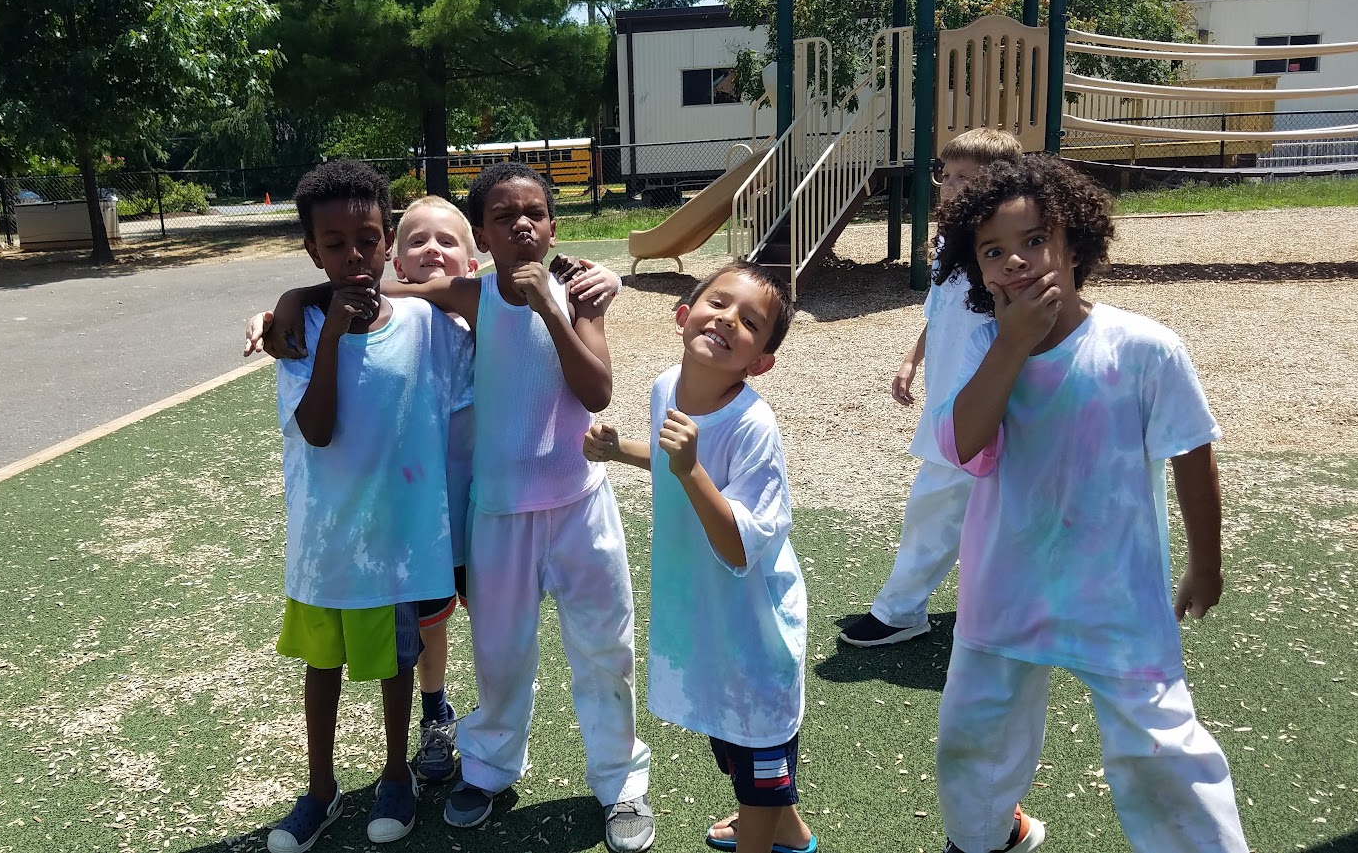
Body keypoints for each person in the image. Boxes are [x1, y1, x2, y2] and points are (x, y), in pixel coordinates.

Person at [260, 162, 654, 853]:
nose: (521, 225)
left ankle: (620, 782)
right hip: (498, 510)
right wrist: (294, 298)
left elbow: (596, 392)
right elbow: (375, 283)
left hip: (579, 505)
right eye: (503, 217)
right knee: (499, 653)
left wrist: (558, 303)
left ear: (554, 227)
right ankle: (490, 768)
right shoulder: (469, 296)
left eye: (534, 213)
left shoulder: (579, 295)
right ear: (483, 237)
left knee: (604, 648)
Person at [930, 154, 1247, 853]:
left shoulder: (1144, 347)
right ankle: (981, 839)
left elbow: (1192, 452)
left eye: (1034, 240)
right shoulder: (982, 345)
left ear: (1074, 244)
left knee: (1160, 747)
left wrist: (1206, 564)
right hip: (1006, 583)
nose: (1015, 261)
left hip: (1115, 590)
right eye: (992, 251)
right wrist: (1012, 345)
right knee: (974, 735)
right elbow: (963, 442)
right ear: (976, 269)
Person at [263, 161, 472, 853]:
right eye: (334, 244)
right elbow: (317, 429)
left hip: (398, 541)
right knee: (321, 667)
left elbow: (488, 325)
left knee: (395, 665)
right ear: (312, 250)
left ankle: (394, 776)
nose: (353, 255)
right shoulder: (296, 332)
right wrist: (324, 326)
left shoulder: (423, 323)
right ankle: (320, 788)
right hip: (325, 543)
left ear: (387, 244)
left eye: (368, 240)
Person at [584, 261, 814, 853]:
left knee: (758, 747)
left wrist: (691, 471)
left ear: (760, 362)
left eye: (751, 322)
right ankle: (786, 827)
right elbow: (670, 457)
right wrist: (621, 449)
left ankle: (763, 825)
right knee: (735, 743)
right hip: (710, 618)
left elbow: (739, 545)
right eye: (718, 303)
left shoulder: (753, 425)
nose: (729, 319)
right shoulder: (667, 386)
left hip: (755, 629)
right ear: (684, 315)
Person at [840, 127, 1024, 648]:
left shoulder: (1004, 251)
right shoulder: (949, 242)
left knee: (936, 506)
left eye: (968, 177)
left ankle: (900, 610)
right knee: (976, 508)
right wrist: (910, 360)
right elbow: (939, 313)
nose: (953, 186)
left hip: (982, 406)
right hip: (952, 404)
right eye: (948, 175)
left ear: (1001, 184)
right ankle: (1007, 604)